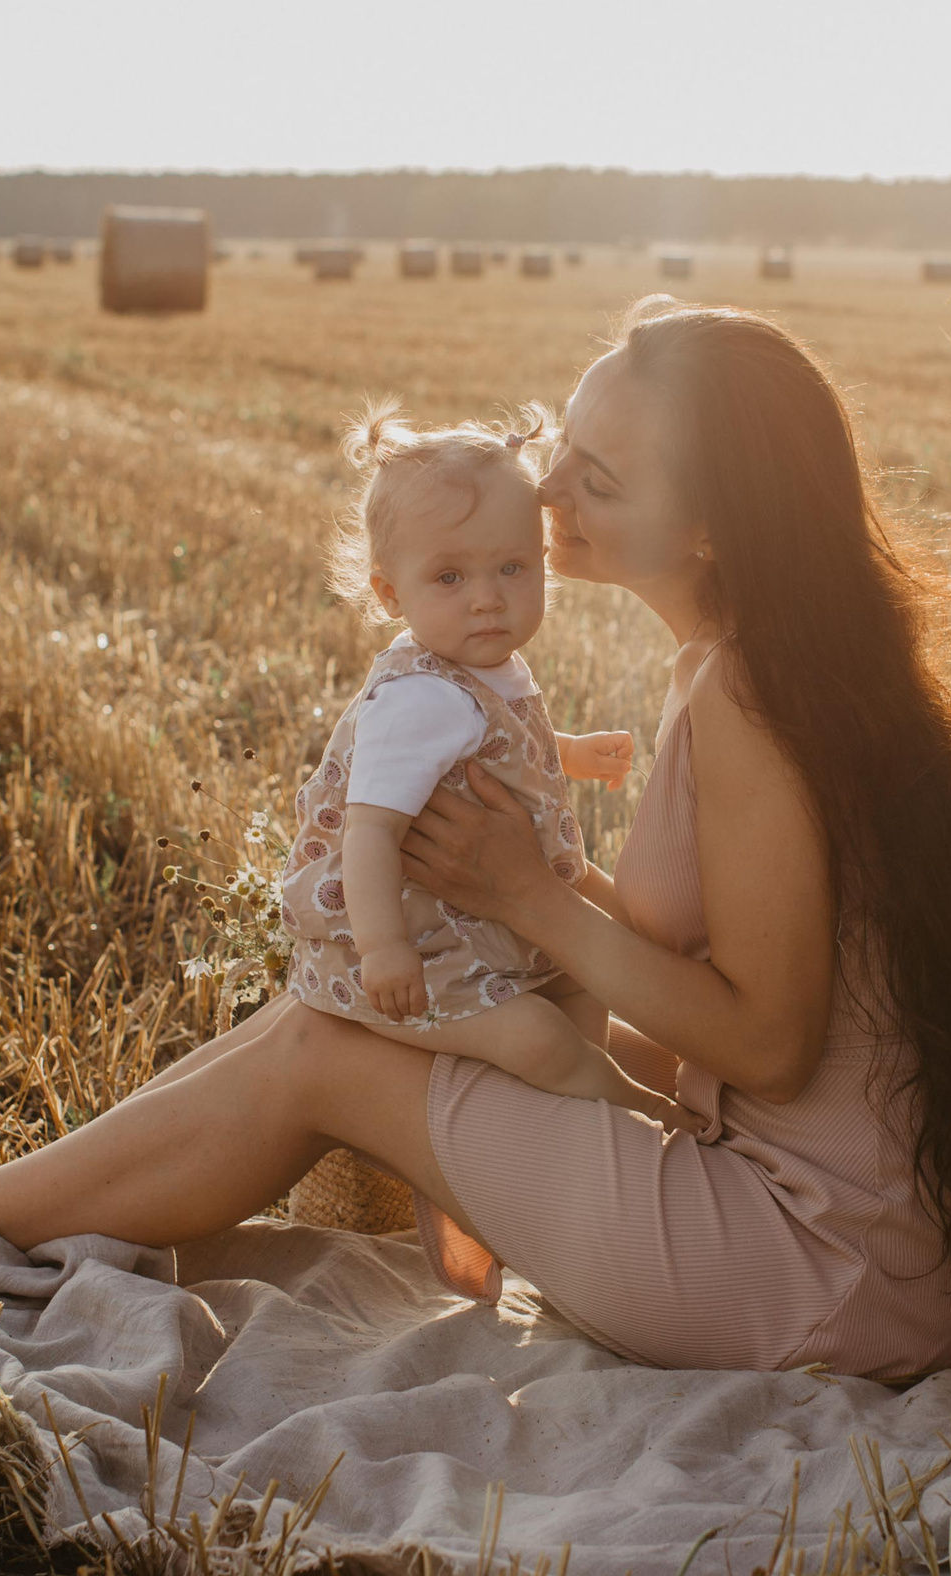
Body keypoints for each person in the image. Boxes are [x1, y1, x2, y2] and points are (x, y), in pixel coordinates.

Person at [0, 298, 951, 1381]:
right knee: (331, 1017)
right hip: (803, 1202)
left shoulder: (753, 699)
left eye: (601, 479)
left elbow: (772, 1046)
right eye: (563, 442)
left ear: (712, 529)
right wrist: (535, 894)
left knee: (330, 1052)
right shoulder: (758, 665)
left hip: (810, 1267)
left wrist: (531, 897)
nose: (551, 485)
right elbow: (723, 954)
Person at [278, 399, 666, 1127]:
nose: (488, 600)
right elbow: (368, 834)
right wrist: (383, 949)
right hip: (410, 958)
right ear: (391, 593)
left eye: (512, 568)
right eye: (450, 578)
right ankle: (636, 1114)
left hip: (479, 922)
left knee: (587, 989)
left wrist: (570, 754)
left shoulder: (483, 665)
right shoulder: (420, 698)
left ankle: (579, 1118)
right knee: (537, 1037)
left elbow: (493, 746)